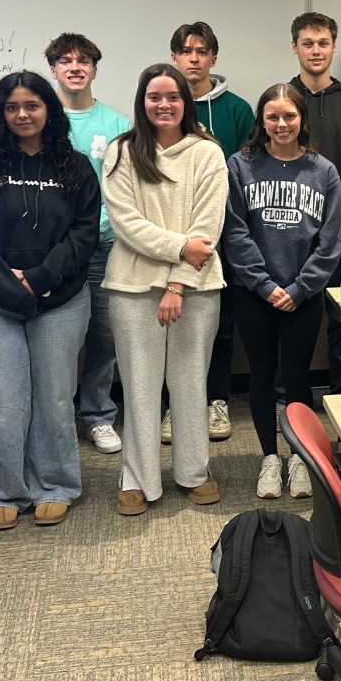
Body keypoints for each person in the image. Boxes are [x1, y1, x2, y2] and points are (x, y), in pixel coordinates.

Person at [0, 71, 100, 531]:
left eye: (32, 105)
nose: (22, 115)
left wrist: (38, 278)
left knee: (54, 397)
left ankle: (55, 485)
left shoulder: (74, 166)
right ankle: (2, 489)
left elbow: (84, 233)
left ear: (48, 110)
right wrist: (11, 288)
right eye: (12, 107)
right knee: (3, 402)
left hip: (61, 298)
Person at [103, 64, 228, 515]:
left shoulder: (207, 153)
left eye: (172, 97)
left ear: (185, 101)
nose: (164, 105)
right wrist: (180, 248)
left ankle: (194, 472)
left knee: (190, 382)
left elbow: (208, 225)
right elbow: (127, 225)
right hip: (133, 287)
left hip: (196, 286)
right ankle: (137, 478)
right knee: (139, 385)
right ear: (142, 101)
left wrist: (176, 281)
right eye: (154, 97)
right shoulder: (121, 152)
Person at [224, 83, 341, 500]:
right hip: (254, 293)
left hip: (303, 295)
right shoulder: (240, 165)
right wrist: (264, 284)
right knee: (260, 375)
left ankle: (299, 459)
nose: (281, 124)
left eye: (289, 116)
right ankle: (269, 458)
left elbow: (329, 243)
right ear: (263, 121)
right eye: (273, 116)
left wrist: (299, 287)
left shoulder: (323, 171)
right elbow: (235, 231)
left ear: (301, 119)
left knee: (296, 377)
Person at [166, 21, 254, 445]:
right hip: (171, 236)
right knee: (171, 323)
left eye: (202, 51)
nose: (194, 59)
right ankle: (174, 405)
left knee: (219, 325)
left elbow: (246, 173)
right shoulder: (163, 106)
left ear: (213, 58)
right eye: (186, 51)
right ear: (174, 58)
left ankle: (215, 400)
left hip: (224, 233)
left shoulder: (237, 109)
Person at [45, 32, 130, 454]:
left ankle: (97, 414)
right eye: (65, 60)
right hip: (52, 250)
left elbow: (130, 187)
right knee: (56, 339)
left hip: (104, 246)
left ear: (95, 69)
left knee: (104, 336)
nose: (75, 67)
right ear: (53, 69)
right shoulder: (40, 120)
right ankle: (55, 418)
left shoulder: (117, 125)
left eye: (83, 60)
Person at [287, 12, 341, 395]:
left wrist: (335, 213)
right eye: (308, 43)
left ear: (334, 47)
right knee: (292, 316)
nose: (315, 51)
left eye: (323, 43)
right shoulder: (282, 99)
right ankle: (289, 395)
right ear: (295, 48)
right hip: (289, 229)